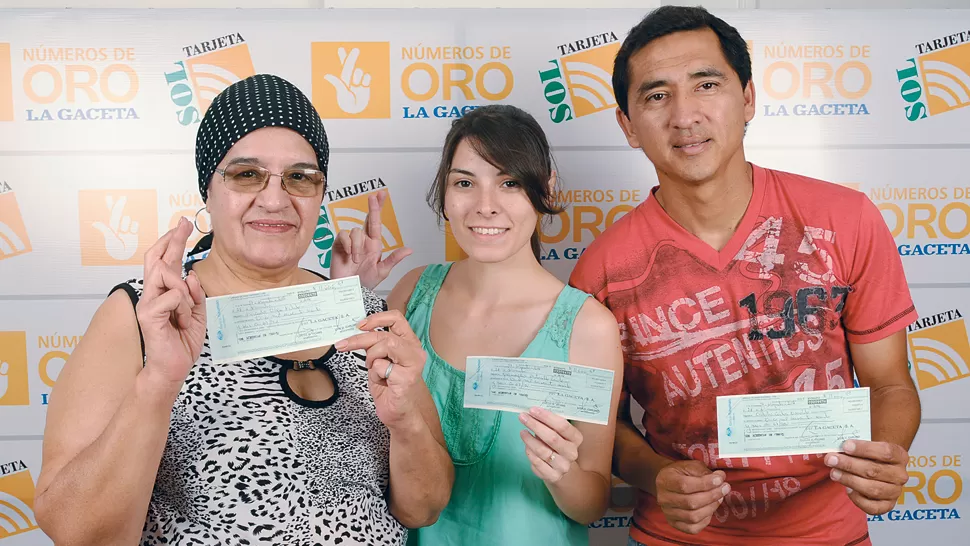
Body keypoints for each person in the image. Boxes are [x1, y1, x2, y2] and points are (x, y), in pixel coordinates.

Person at [34, 74, 453, 546]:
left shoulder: (361, 314)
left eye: (300, 177)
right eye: (246, 174)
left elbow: (424, 507)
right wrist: (159, 382)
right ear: (207, 190)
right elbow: (78, 532)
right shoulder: (143, 316)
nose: (275, 199)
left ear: (319, 195)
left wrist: (405, 423)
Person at [567, 6, 921, 546]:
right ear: (628, 125)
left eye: (706, 84)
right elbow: (601, 430)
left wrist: (883, 455)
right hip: (679, 537)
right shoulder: (600, 272)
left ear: (748, 98)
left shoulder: (845, 219)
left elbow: (891, 385)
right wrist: (655, 474)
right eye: (657, 96)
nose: (685, 115)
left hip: (828, 533)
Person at [338, 104, 624, 546]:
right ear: (445, 194)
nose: (485, 206)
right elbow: (350, 423)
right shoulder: (412, 292)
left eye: (509, 183)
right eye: (465, 183)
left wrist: (563, 472)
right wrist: (346, 296)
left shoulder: (589, 328)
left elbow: (592, 503)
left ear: (545, 188)